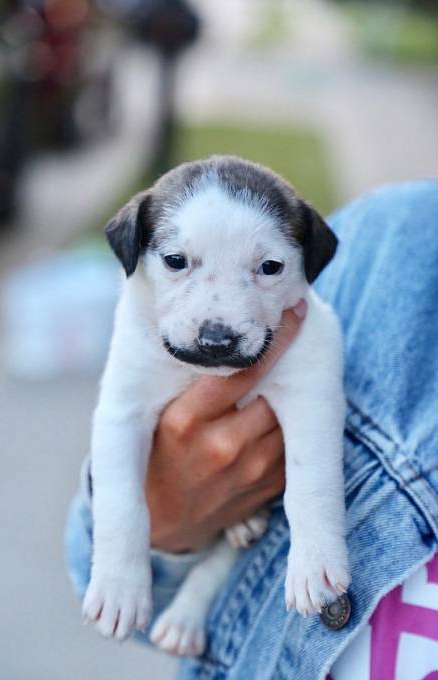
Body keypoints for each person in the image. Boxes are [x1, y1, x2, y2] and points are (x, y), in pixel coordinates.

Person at [65, 180, 438, 679]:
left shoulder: (308, 328)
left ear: (308, 265)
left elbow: (312, 411)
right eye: (177, 263)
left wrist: (316, 535)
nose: (218, 321)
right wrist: (119, 553)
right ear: (134, 252)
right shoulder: (396, 228)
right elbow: (120, 418)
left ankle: (203, 588)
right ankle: (197, 583)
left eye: (267, 269)